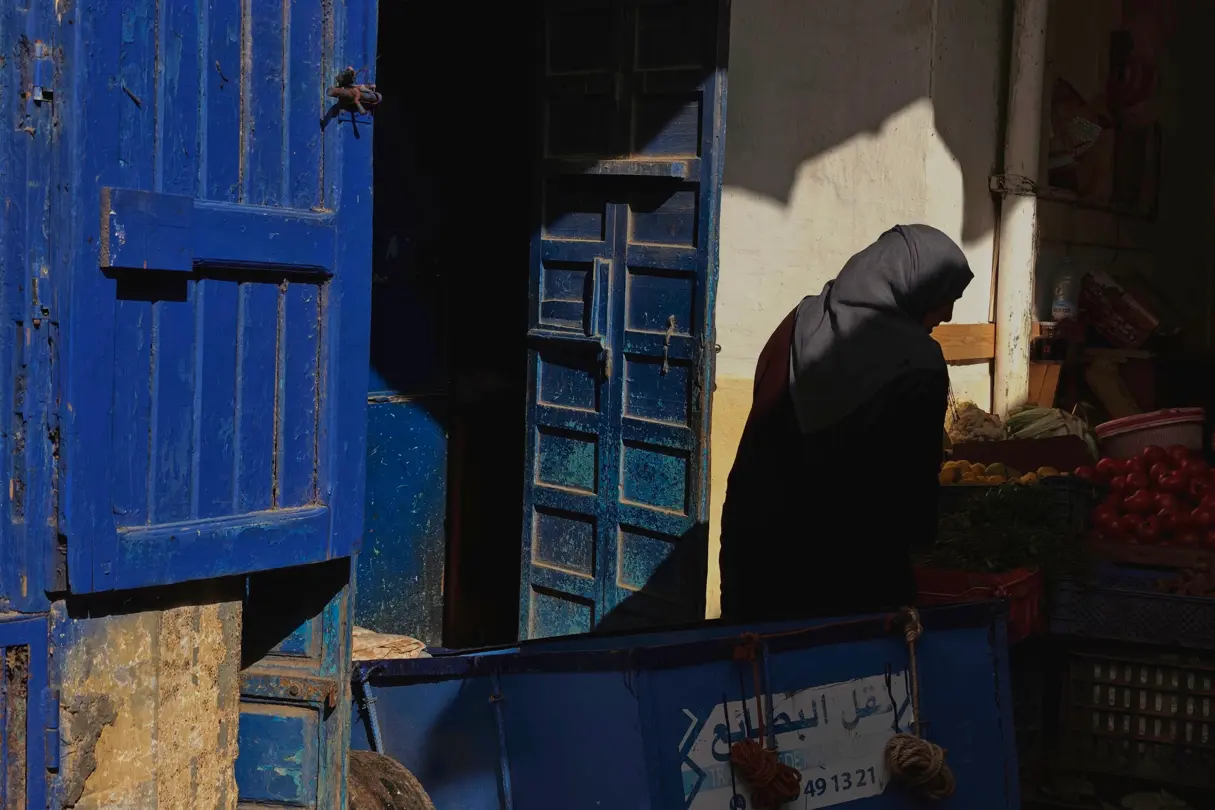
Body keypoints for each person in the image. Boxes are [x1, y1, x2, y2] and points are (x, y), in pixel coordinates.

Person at [718, 225, 974, 624]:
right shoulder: (919, 362)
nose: (948, 315)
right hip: (848, 573)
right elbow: (913, 482)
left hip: (755, 544)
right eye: (946, 299)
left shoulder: (800, 319)